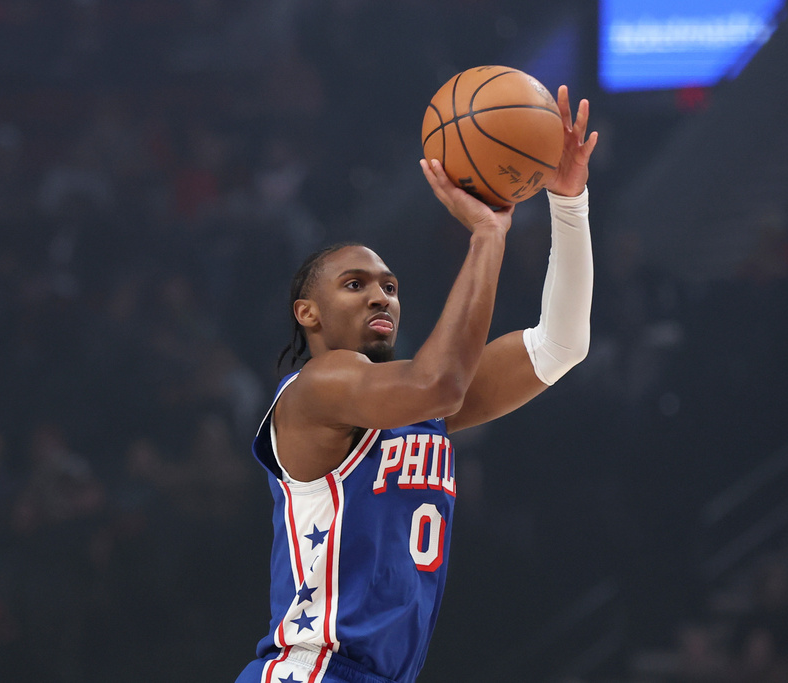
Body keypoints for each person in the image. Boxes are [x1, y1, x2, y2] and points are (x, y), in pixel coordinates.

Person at [235, 85, 598, 683]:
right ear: (308, 313)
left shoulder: (410, 402)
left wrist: (568, 202)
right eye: (355, 284)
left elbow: (562, 345)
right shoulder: (318, 388)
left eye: (390, 286)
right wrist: (487, 236)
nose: (381, 294)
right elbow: (440, 384)